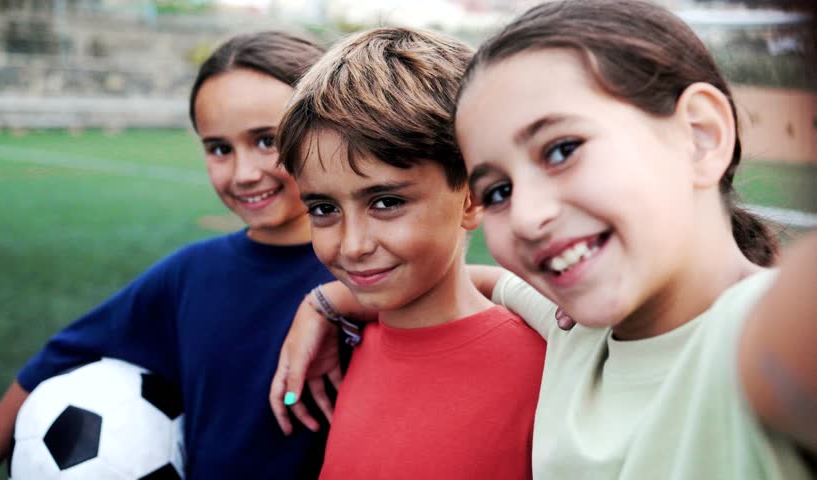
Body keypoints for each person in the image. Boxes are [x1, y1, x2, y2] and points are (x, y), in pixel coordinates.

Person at [272, 1, 816, 478]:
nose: (528, 217)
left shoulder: (761, 330)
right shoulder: (571, 337)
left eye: (561, 150)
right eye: (500, 189)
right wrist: (323, 302)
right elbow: (485, 285)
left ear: (699, 134)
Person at [0, 31, 336, 479]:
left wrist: (333, 301)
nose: (243, 173)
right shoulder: (190, 274)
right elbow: (48, 366)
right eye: (219, 148)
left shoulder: (372, 270)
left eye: (266, 140)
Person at [275, 27, 547, 479]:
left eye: (386, 202)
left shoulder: (543, 364)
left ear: (471, 198)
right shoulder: (348, 341)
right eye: (324, 208)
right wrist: (322, 303)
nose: (353, 245)